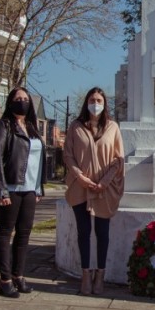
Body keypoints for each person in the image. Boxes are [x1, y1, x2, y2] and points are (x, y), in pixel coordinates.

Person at [64, 87, 125, 295]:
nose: (95, 103)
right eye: (92, 99)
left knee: (102, 233)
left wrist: (105, 182)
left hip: (104, 189)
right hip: (80, 187)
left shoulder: (113, 127)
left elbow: (118, 159)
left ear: (105, 103)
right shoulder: (76, 127)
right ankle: (85, 275)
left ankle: (100, 275)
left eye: (99, 100)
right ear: (86, 102)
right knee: (83, 232)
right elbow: (68, 156)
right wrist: (81, 178)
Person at [0, 87, 46, 298]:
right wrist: (1, 190)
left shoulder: (31, 127)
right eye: (17, 98)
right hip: (10, 188)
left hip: (30, 189)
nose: (22, 101)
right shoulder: (4, 126)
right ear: (10, 102)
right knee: (5, 232)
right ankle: (5, 280)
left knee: (24, 234)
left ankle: (18, 275)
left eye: (25, 98)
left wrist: (39, 186)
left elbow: (38, 161)